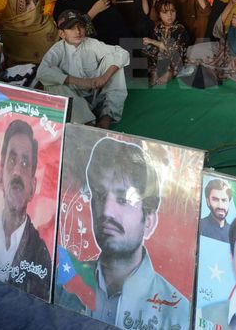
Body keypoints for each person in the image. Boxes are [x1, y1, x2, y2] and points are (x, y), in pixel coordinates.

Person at [54, 136, 191, 327]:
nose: (106, 211)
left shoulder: (179, 315)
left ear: (149, 221)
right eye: (100, 195)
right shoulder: (63, 283)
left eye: (124, 199)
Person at [0, 120, 52, 299]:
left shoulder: (41, 255)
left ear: (33, 187)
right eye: (12, 159)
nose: (17, 171)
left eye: (25, 163)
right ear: (1, 175)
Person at [36, 9, 128, 128]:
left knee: (115, 61)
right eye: (71, 28)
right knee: (52, 83)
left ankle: (107, 116)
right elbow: (42, 72)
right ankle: (88, 123)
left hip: (95, 94)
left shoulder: (91, 43)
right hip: (74, 99)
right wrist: (83, 82)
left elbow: (123, 53)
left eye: (80, 26)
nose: (78, 31)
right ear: (62, 34)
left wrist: (105, 77)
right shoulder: (57, 50)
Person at [52, 0, 132, 47]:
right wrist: (92, 13)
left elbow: (119, 34)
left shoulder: (99, 2)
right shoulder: (59, 7)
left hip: (110, 49)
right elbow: (73, 36)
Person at [0, 0, 59, 66]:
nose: (34, 6)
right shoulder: (7, 34)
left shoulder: (48, 24)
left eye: (35, 1)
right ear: (14, 7)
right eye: (27, 3)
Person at [142, 0, 189, 86]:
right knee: (147, 47)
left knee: (165, 49)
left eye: (172, 11)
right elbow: (156, 49)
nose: (169, 15)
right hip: (162, 60)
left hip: (175, 61)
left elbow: (171, 48)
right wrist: (150, 43)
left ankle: (170, 72)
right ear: (159, 14)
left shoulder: (180, 28)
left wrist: (155, 42)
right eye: (165, 12)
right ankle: (155, 71)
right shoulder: (158, 28)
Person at [199, 177, 232, 242]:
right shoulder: (199, 227)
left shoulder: (234, 232)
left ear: (229, 202)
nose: (220, 206)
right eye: (215, 199)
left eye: (224, 200)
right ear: (208, 201)